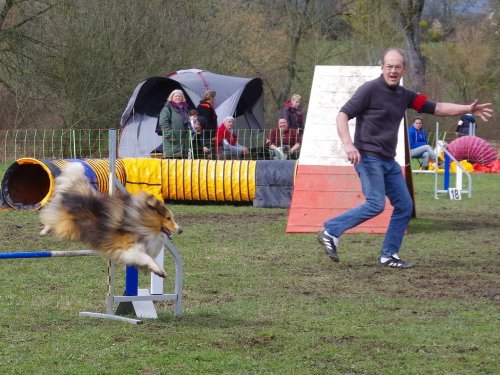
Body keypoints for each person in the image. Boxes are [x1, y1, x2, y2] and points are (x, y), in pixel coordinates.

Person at [317, 48, 493, 269]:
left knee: (404, 205)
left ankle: (388, 255)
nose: (393, 71)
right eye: (389, 66)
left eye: (397, 67)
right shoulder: (369, 90)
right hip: (369, 157)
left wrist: (467, 108)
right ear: (382, 68)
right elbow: (342, 115)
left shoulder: (406, 96)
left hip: (388, 161)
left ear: (403, 70)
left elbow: (437, 107)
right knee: (375, 204)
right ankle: (331, 230)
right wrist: (347, 144)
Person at [158, 89, 191, 159]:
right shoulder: (167, 109)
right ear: (171, 97)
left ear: (183, 98)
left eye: (180, 96)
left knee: (182, 168)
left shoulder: (185, 110)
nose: (178, 97)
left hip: (184, 145)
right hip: (172, 142)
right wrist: (169, 135)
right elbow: (163, 122)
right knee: (171, 167)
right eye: (176, 96)